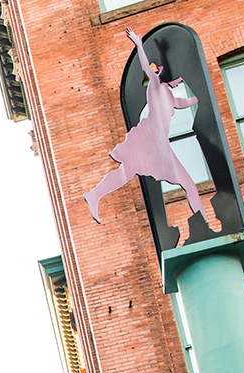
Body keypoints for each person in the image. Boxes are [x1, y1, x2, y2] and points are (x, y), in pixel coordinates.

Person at [85, 28, 211, 227]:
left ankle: (94, 195)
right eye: (179, 77)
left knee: (182, 184)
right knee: (182, 183)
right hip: (149, 139)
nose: (180, 81)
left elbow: (188, 101)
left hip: (157, 143)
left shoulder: (170, 97)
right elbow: (146, 68)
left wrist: (203, 89)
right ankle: (93, 195)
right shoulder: (155, 86)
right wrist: (139, 45)